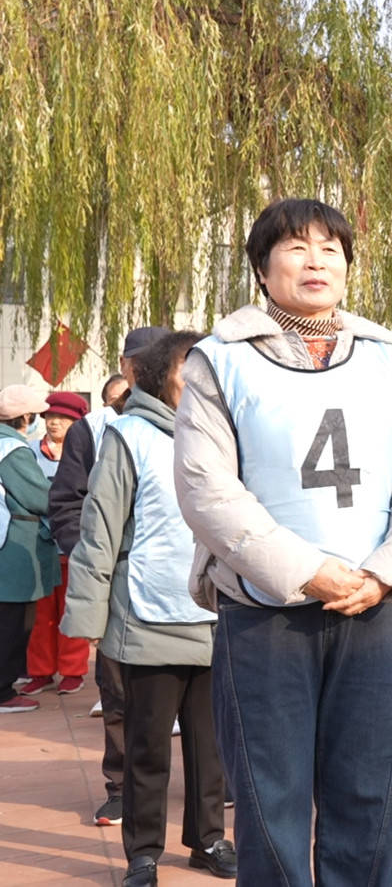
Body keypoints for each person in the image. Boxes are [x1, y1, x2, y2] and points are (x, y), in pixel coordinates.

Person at [174, 198, 392, 883]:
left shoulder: (386, 357)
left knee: (372, 795)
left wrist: (385, 574)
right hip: (266, 613)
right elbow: (207, 490)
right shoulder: (220, 361)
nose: (316, 260)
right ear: (263, 270)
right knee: (273, 799)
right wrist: (305, 571)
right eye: (296, 247)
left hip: (374, 607)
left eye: (331, 248)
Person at [62, 331, 236, 886]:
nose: (199, 382)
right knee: (147, 747)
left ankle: (208, 839)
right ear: (162, 376)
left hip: (216, 616)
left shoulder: (224, 436)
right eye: (189, 371)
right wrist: (89, 618)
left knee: (211, 746)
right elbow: (99, 531)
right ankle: (142, 853)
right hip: (148, 616)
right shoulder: (129, 436)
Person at [48, 329, 167, 828]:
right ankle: (121, 787)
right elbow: (66, 503)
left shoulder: (199, 420)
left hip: (185, 585)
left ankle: (212, 793)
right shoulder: (93, 429)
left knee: (204, 697)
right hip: (122, 584)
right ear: (125, 364)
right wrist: (99, 557)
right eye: (142, 361)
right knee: (118, 692)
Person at [18, 391, 91, 699]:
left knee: (72, 611)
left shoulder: (88, 455)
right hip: (39, 548)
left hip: (75, 546)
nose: (54, 423)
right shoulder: (30, 453)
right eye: (50, 417)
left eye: (63, 418)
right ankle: (40, 671)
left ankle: (73, 671)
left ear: (77, 423)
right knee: (41, 615)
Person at [0, 384, 60, 714]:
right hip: (14, 543)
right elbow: (39, 497)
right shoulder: (13, 449)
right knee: (14, 619)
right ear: (25, 417)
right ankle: (3, 691)